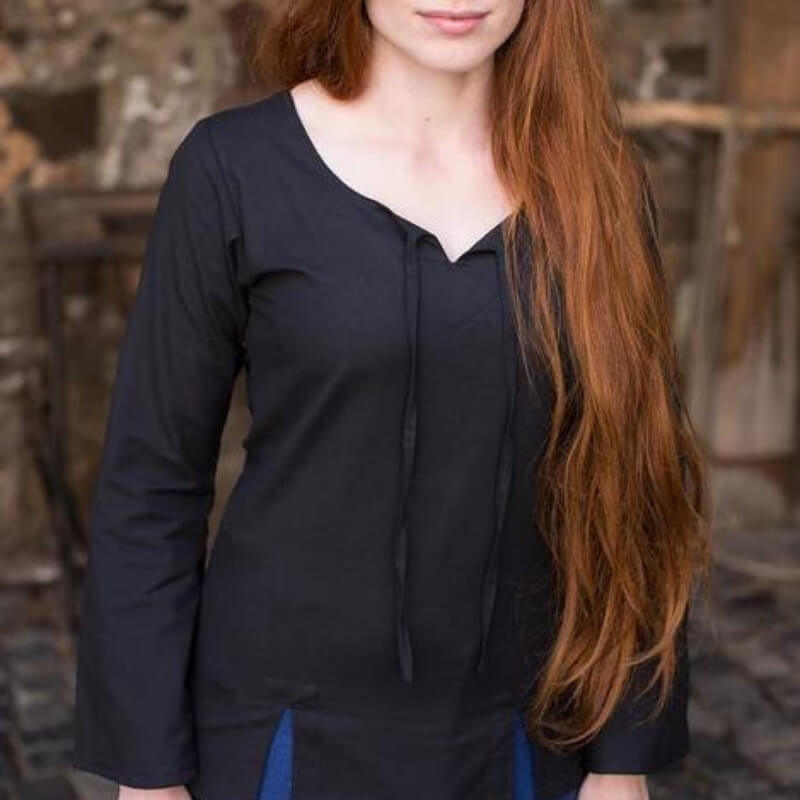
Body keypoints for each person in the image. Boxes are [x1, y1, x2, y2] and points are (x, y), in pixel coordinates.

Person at [70, 1, 712, 799]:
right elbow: (151, 482)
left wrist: (622, 762)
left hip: (527, 733)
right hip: (282, 731)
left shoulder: (599, 180)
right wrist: (148, 777)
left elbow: (637, 484)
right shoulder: (233, 169)